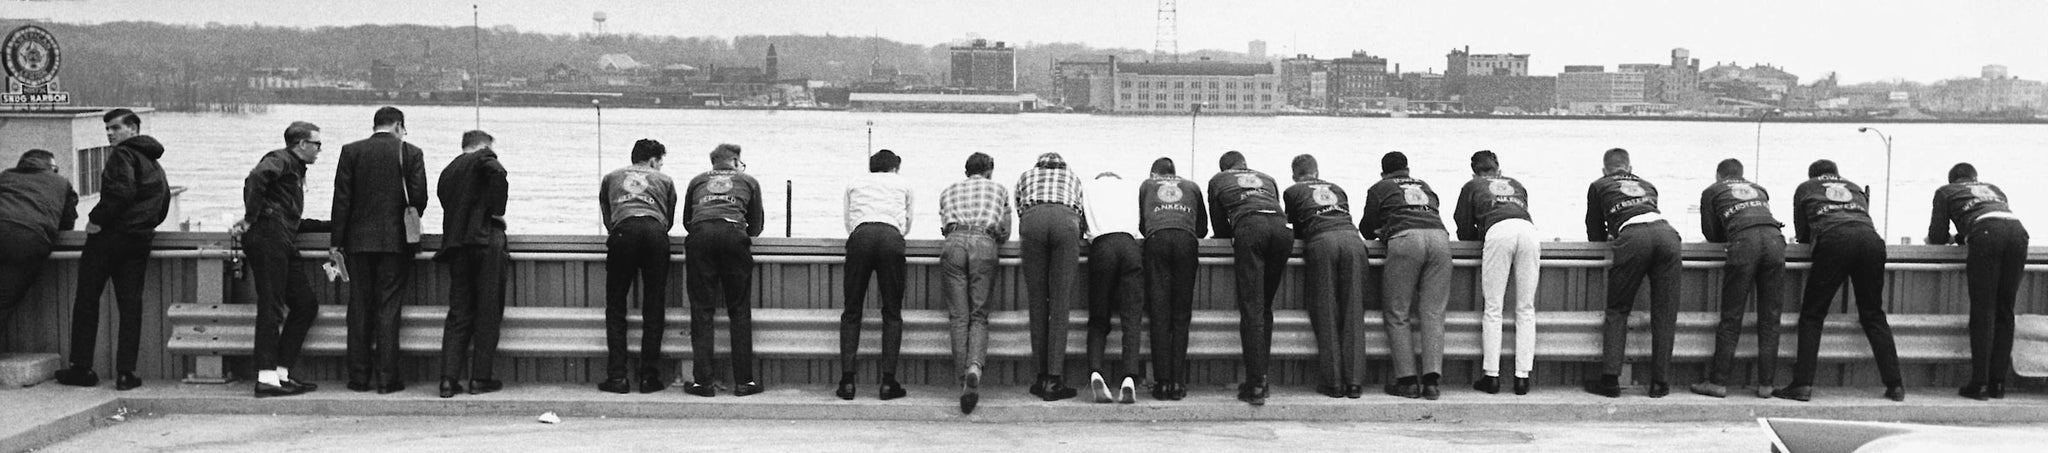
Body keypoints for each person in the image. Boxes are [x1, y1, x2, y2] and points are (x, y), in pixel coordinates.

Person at [57, 109, 171, 391]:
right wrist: (142, 226)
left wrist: (95, 220)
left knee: (87, 301)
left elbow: (120, 192)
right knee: (130, 306)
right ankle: (125, 374)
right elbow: (163, 204)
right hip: (138, 241)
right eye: (107, 128)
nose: (110, 133)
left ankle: (82, 368)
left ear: (133, 129)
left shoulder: (122, 155)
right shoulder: (154, 163)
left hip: (108, 239)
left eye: (115, 128)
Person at [1774, 159, 1904, 402]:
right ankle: (1895, 385)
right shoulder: (1854, 187)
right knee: (1873, 314)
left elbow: (1802, 233)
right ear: (1836, 174)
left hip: (1834, 240)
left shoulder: (1806, 187)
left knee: (1813, 315)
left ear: (1813, 175)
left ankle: (1802, 384)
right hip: (1871, 242)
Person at [330, 106, 428, 395]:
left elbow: (341, 201)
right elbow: (419, 198)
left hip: (358, 244)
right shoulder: (411, 153)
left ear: (375, 125)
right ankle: (387, 379)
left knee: (359, 306)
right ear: (398, 125)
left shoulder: (351, 151)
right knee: (389, 308)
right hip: (396, 244)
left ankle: (358, 378)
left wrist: (337, 241)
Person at [231, 121, 332, 398]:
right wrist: (251, 218)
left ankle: (280, 373)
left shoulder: (292, 169)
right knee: (272, 305)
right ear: (301, 144)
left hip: (280, 240)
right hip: (267, 239)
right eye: (317, 144)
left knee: (305, 304)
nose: (319, 150)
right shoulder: (280, 159)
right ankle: (265, 378)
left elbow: (290, 217)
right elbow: (256, 178)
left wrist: (333, 225)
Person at [1580, 148, 1680, 399]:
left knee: (1618, 310)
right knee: (1665, 313)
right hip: (1667, 235)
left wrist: (1603, 243)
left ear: (1605, 170)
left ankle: (1611, 381)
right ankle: (1660, 384)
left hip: (1633, 237)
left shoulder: (1599, 184)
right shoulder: (1648, 185)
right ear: (1630, 169)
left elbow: (1594, 226)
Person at [1926, 162, 2024, 401]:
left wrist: (1949, 238)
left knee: (1983, 311)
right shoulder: (1994, 189)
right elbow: (1993, 219)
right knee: (2004, 311)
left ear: (1953, 180)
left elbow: (1937, 236)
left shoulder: (1945, 191)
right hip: (2018, 232)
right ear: (1975, 178)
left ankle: (1979, 383)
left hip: (1986, 234)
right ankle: (1997, 384)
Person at [1362, 151, 1452, 400]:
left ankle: (1408, 381)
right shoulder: (1425, 186)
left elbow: (1366, 228)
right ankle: (1432, 382)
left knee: (1397, 312)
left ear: (1384, 172)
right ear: (1408, 169)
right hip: (1440, 239)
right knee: (1433, 312)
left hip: (1405, 239)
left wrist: (1381, 230)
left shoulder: (1380, 187)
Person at [1691, 158, 1785, 399]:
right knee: (1770, 318)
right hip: (1775, 241)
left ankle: (1718, 382)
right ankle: (1766, 385)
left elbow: (1711, 233)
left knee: (1732, 317)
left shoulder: (1712, 191)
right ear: (1743, 175)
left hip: (1744, 244)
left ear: (1718, 175)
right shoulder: (1760, 189)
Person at [1452, 150, 1539, 396]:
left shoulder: (1472, 185)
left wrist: (1473, 239)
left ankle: (1492, 376)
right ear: (1498, 169)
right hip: (1528, 231)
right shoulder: (1517, 184)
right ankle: (1522, 378)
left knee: (1493, 307)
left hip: (1498, 232)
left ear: (1474, 171)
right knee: (1525, 308)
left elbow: (1464, 224)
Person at [1282, 154, 1368, 399]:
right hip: (1353, 241)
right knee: (1353, 309)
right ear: (1317, 172)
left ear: (1294, 174)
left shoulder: (1293, 191)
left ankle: (1334, 382)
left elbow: (1296, 226)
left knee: (1326, 310)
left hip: (1322, 242)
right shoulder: (1337, 188)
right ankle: (1354, 383)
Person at [682, 143, 766, 397]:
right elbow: (756, 227)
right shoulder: (748, 180)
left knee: (702, 311)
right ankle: (744, 382)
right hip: (733, 236)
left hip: (700, 237)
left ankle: (703, 383)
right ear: (735, 160)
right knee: (739, 310)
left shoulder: (697, 181)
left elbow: (687, 220)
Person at [1206, 150, 1288, 406]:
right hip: (1282, 232)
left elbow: (1219, 225)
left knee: (1251, 309)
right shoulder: (1267, 178)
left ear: (1224, 168)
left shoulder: (1219, 180)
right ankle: (1262, 377)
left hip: (1251, 230)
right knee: (1264, 308)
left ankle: (1255, 385)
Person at [597, 139, 678, 394]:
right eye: (660, 162)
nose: (661, 166)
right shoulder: (664, 180)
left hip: (624, 233)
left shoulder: (611, 177)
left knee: (616, 305)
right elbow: (669, 218)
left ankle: (618, 377)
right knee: (654, 306)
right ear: (653, 160)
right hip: (655, 234)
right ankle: (648, 377)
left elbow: (607, 214)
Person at [434, 130, 509, 398]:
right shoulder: (484, 156)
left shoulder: (448, 171)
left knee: (458, 314)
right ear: (482, 145)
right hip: (486, 241)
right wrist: (496, 207)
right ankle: (479, 379)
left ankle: (447, 380)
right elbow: (498, 172)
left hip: (457, 245)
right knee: (488, 311)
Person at [939, 152, 1012, 414]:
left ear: (966, 170)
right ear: (990, 170)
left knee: (959, 317)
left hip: (954, 242)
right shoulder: (999, 189)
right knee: (979, 316)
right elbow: (1005, 232)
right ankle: (974, 368)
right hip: (984, 243)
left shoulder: (948, 191)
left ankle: (963, 381)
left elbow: (944, 226)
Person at [837, 149, 912, 401]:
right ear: (895, 167)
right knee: (892, 312)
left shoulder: (855, 182)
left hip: (860, 237)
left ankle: (847, 382)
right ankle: (888, 383)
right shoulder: (903, 184)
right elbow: (907, 222)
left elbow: (848, 220)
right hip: (891, 238)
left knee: (852, 310)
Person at [1014, 152, 1085, 402]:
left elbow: (1019, 207)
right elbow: (1080, 210)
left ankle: (1040, 376)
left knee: (1037, 302)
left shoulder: (1026, 176)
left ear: (1038, 166)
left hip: (1033, 221)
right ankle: (1055, 380)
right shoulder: (1072, 178)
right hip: (1065, 221)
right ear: (1062, 166)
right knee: (1060, 302)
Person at [1138, 157, 1205, 401]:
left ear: (1154, 174)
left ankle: (1162, 383)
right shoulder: (1192, 186)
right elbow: (1202, 229)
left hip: (1157, 242)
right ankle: (1178, 383)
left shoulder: (1147, 185)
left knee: (1159, 315)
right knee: (1180, 316)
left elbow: (1142, 225)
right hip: (1186, 243)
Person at [0, 150, 78, 347]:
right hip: (29, 239)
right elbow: (67, 223)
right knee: (4, 300)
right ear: (52, 168)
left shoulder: (5, 177)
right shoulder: (61, 183)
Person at [1081, 169, 1142, 404]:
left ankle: (1096, 371)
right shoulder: (1130, 186)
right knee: (1131, 318)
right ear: (1117, 178)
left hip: (1102, 246)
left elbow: (1080, 220)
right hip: (1129, 246)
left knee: (1098, 319)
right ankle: (1128, 377)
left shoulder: (1088, 187)